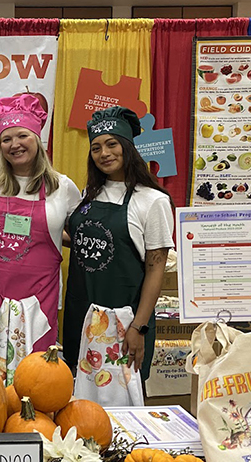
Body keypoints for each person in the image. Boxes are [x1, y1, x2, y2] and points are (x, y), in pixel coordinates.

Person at [0, 94, 81, 380]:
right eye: (6, 139)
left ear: (38, 138)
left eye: (22, 135)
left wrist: (54, 237)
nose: (14, 144)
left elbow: (76, 234)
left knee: (37, 380)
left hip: (38, 302)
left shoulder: (63, 187)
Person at [63, 106, 174, 380]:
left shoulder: (153, 200)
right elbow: (82, 241)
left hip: (123, 321)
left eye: (112, 144)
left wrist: (139, 327)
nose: (104, 153)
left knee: (121, 400)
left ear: (127, 146)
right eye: (96, 147)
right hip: (81, 314)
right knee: (79, 394)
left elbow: (155, 268)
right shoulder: (89, 193)